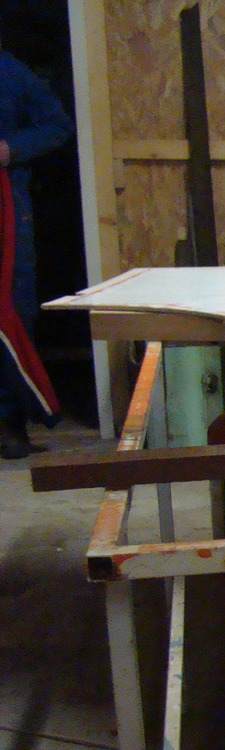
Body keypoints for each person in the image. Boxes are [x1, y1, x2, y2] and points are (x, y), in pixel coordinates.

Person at [0, 41, 72, 459]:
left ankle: (11, 422)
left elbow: (57, 126)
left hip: (6, 204)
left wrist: (11, 149)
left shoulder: (12, 73)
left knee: (11, 307)